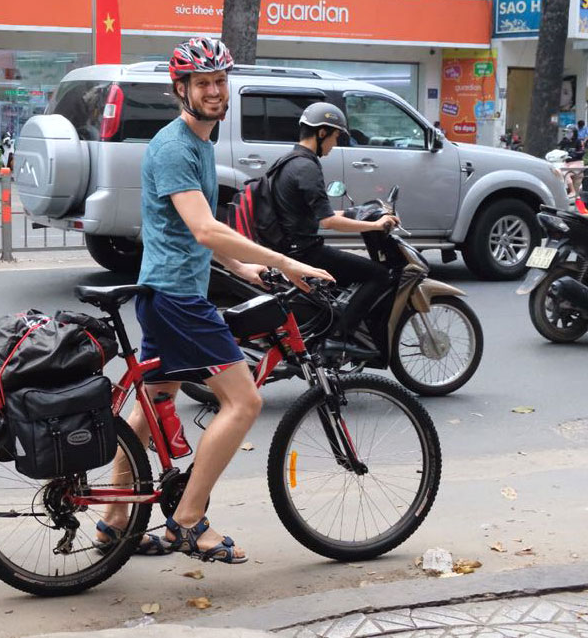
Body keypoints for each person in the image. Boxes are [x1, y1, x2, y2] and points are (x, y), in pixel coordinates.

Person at [97, 37, 332, 564]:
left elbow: (196, 233)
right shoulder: (178, 147)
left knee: (153, 403)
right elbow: (204, 230)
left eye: (220, 81)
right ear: (179, 89)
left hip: (167, 290)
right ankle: (187, 521)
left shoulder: (199, 143)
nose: (213, 90)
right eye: (202, 82)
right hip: (178, 299)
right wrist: (288, 263)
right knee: (244, 401)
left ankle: (114, 520)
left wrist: (243, 267)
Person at [270, 103, 399, 355]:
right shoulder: (307, 167)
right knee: (379, 275)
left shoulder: (290, 161)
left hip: (290, 246)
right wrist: (373, 224)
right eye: (336, 135)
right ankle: (338, 337)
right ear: (321, 133)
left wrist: (358, 212)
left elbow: (317, 214)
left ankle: (329, 327)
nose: (335, 142)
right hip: (305, 252)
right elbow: (328, 222)